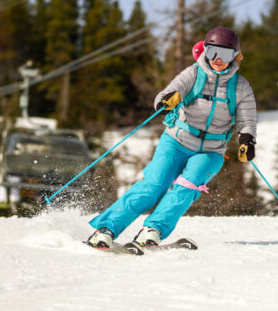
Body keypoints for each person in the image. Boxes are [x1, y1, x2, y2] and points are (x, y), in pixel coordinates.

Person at [86, 26, 257, 248]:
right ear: (205, 50)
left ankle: (153, 230)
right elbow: (166, 94)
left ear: (235, 56)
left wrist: (247, 139)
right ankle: (106, 229)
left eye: (225, 54)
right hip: (177, 141)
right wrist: (166, 101)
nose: (217, 60)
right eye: (213, 52)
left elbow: (247, 120)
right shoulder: (193, 73)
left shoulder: (241, 87)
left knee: (189, 185)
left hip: (211, 150)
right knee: (153, 185)